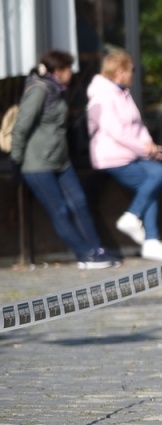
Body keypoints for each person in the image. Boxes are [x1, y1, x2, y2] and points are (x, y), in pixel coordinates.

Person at [9, 50, 118, 270]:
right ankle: (84, 255)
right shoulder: (39, 90)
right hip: (37, 164)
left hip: (61, 161)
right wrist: (16, 161)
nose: (72, 73)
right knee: (60, 210)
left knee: (79, 203)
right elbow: (21, 127)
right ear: (58, 71)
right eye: (69, 68)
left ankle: (95, 248)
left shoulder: (56, 90)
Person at [86, 47, 162, 262]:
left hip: (131, 154)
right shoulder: (102, 97)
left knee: (154, 178)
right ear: (120, 71)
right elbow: (117, 132)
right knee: (155, 177)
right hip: (112, 158)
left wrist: (151, 147)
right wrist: (145, 149)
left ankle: (151, 242)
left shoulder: (122, 93)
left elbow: (137, 125)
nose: (133, 74)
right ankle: (133, 219)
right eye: (131, 70)